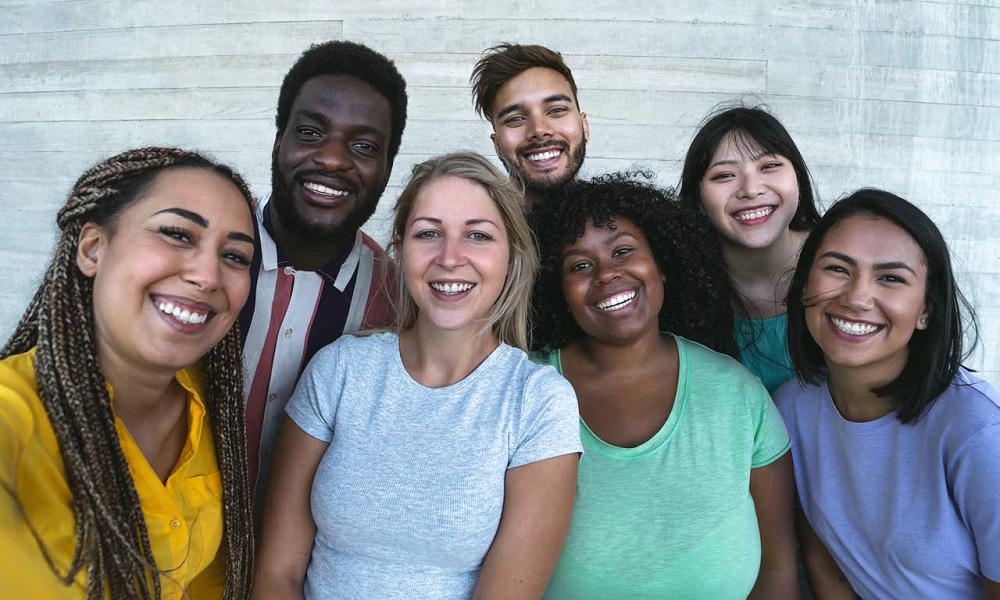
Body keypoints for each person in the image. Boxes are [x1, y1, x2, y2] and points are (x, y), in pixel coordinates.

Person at [252, 152, 582, 599]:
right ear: (400, 250)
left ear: (512, 258)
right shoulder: (339, 370)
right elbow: (277, 574)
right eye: (429, 233)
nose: (450, 258)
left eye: (478, 236)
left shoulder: (537, 400)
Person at [0, 147, 255, 599]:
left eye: (235, 256)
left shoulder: (208, 403)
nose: (208, 274)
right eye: (177, 233)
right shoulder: (15, 413)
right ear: (93, 249)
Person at [530, 174, 798, 599]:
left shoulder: (738, 393)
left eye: (623, 251)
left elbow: (779, 565)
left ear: (662, 266)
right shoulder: (527, 390)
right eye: (579, 265)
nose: (606, 273)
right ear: (559, 292)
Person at [775, 189, 1000, 599]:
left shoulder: (978, 431)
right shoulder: (792, 407)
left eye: (891, 278)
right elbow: (829, 561)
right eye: (838, 269)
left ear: (926, 311)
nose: (858, 298)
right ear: (805, 284)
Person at [241, 40, 407, 510]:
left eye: (363, 146)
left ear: (387, 168)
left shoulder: (396, 302)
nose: (333, 159)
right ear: (279, 140)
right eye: (311, 133)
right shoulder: (201, 255)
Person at [679, 105, 821, 393]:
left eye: (769, 166)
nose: (751, 189)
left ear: (798, 176)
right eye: (724, 176)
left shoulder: (841, 259)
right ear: (698, 197)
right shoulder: (679, 285)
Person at [471, 43, 590, 205]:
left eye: (556, 110)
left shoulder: (623, 221)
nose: (539, 129)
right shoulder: (481, 225)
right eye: (516, 119)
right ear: (497, 145)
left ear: (584, 126)